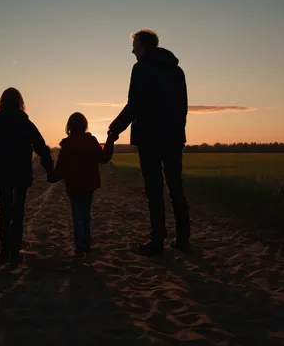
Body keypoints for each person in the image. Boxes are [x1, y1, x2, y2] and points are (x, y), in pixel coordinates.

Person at [108, 29, 191, 256]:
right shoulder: (177, 71)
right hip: (174, 136)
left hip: (150, 137)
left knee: (154, 189)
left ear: (143, 46)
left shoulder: (141, 68)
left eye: (134, 45)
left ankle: (157, 241)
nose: (132, 49)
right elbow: (183, 106)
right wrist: (177, 129)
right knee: (176, 187)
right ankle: (183, 239)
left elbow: (134, 104)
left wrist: (114, 129)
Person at [0, 88, 53, 265]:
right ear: (20, 103)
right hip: (21, 173)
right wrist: (50, 169)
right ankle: (14, 252)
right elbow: (41, 147)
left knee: (5, 211)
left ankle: (4, 252)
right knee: (18, 212)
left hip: (3, 173)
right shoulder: (26, 124)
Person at [48, 113, 117, 258]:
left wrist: (52, 175)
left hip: (74, 186)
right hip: (89, 185)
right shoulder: (91, 142)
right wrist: (110, 141)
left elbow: (60, 169)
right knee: (85, 213)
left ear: (69, 127)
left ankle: (80, 245)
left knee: (77, 214)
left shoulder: (67, 145)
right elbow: (104, 158)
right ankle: (85, 243)